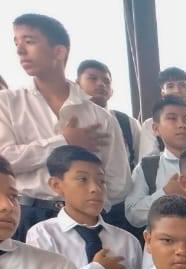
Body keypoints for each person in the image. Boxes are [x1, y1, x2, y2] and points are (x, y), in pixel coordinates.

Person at [2, 14, 129, 238]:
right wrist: (64, 142)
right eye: (16, 43)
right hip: (26, 215)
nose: (20, 50)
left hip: (87, 220)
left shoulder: (100, 117)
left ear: (59, 51)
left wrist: (86, 206)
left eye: (29, 41)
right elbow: (4, 160)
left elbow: (119, 182)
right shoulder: (7, 103)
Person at [27, 144, 140, 269]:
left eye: (101, 181)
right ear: (56, 185)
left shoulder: (127, 241)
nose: (95, 188)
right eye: (82, 179)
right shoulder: (43, 235)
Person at [73, 58, 142, 234]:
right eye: (92, 78)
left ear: (112, 90)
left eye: (106, 81)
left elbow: (139, 163)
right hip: (79, 204)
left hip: (121, 207)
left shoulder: (128, 123)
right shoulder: (70, 119)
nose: (100, 84)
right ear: (77, 84)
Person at [124, 97, 186, 229]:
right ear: (156, 128)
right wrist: (165, 194)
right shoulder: (147, 167)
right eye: (172, 118)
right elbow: (132, 214)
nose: (182, 125)